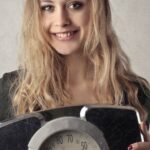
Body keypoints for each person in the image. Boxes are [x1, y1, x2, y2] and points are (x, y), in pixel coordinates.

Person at [0, 0, 150, 149]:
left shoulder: (136, 93)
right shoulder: (10, 90)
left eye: (75, 5)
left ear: (97, 10)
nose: (61, 20)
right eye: (48, 7)